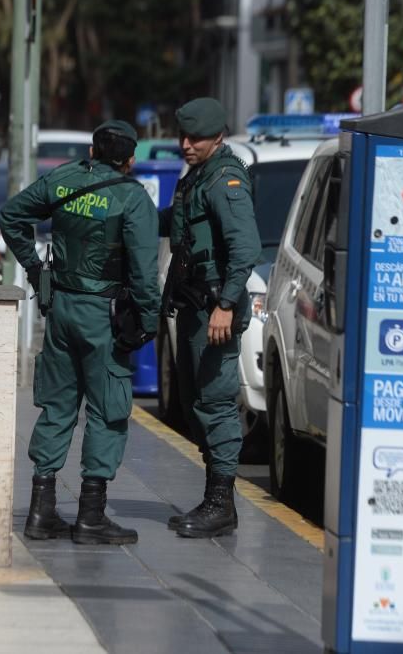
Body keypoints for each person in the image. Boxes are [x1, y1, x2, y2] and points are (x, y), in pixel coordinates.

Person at [0, 120, 159, 545]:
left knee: (57, 406)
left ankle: (40, 511)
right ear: (130, 159)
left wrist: (36, 270)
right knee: (107, 408)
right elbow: (144, 273)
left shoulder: (63, 180)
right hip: (103, 315)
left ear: (92, 150)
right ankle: (91, 516)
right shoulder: (132, 197)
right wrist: (150, 320)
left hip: (61, 309)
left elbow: (11, 215)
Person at [161, 97, 260, 539]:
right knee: (193, 403)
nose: (185, 144)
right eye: (182, 136)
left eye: (194, 138)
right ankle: (215, 496)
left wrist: (226, 305)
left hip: (214, 311)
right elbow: (181, 230)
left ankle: (220, 504)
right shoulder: (198, 176)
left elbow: (245, 249)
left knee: (216, 404)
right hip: (194, 307)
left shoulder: (226, 179)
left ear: (218, 136)